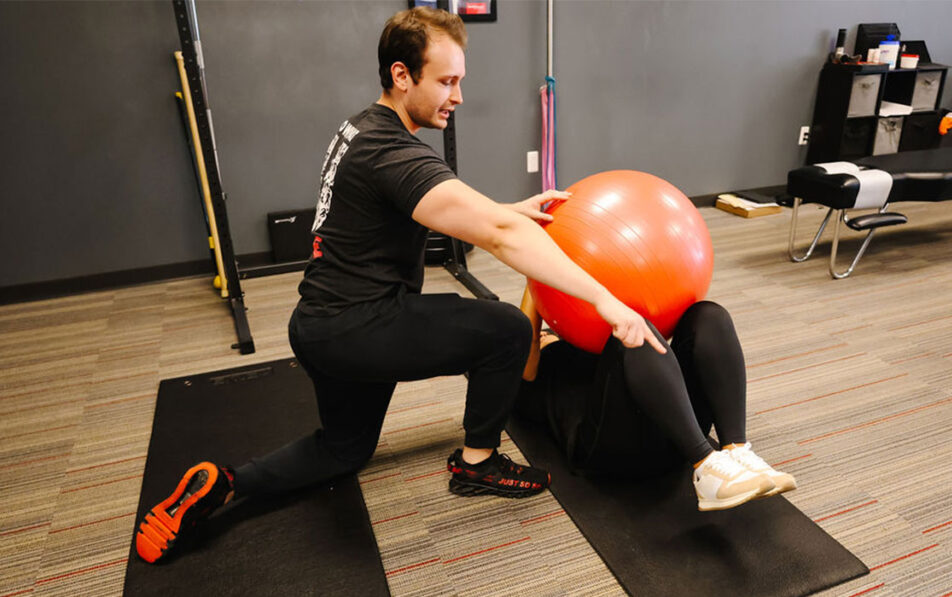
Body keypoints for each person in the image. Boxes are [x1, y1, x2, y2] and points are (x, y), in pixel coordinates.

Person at [135, 6, 664, 564]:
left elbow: (436, 210)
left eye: (460, 79)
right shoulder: (390, 150)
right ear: (401, 75)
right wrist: (605, 299)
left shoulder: (362, 128)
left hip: (319, 325)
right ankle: (478, 463)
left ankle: (225, 482)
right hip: (360, 325)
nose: (457, 95)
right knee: (506, 329)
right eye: (447, 81)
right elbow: (501, 239)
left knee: (343, 451)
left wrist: (509, 209)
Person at [515, 289, 797, 511]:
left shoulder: (597, 333)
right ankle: (707, 470)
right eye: (542, 331)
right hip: (608, 450)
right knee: (634, 333)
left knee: (709, 314)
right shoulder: (533, 357)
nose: (545, 332)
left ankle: (736, 451)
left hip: (677, 435)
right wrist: (535, 277)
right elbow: (525, 365)